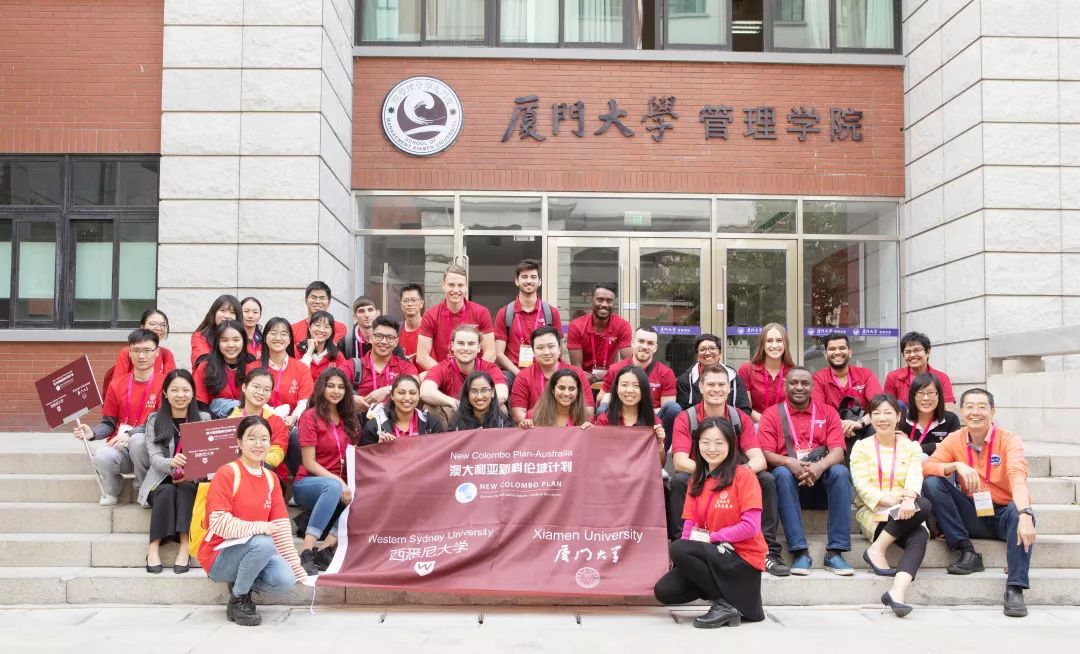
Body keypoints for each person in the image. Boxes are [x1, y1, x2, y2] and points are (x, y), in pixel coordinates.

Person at [921, 388, 1035, 618]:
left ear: (992, 411)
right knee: (932, 483)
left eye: (982, 407)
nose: (975, 412)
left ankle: (1015, 588)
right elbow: (926, 467)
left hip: (1004, 515)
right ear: (962, 411)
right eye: (970, 407)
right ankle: (967, 552)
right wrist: (955, 466)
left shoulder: (1009, 439)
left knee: (1020, 512)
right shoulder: (955, 439)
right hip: (973, 512)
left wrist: (1025, 514)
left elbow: (1017, 476)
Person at [668, 364, 784, 575]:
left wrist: (737, 474)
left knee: (766, 479)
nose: (716, 389)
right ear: (701, 387)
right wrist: (713, 473)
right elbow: (680, 461)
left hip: (734, 477)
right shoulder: (686, 418)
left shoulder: (740, 418)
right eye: (711, 384)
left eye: (721, 385)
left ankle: (769, 552)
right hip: (701, 474)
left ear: (729, 388)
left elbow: (759, 459)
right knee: (679, 481)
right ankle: (681, 551)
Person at [653, 417, 767, 628]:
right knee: (665, 590)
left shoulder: (744, 475)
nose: (711, 449)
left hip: (742, 558)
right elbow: (689, 525)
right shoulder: (697, 478)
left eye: (718, 443)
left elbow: (751, 527)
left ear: (730, 445)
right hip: (713, 553)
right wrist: (684, 562)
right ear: (697, 445)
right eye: (705, 442)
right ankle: (726, 601)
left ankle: (725, 605)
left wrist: (711, 538)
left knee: (678, 547)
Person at [198, 415, 306, 627]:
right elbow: (219, 523)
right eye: (251, 438)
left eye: (264, 439)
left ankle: (241, 582)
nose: (258, 444)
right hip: (219, 556)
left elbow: (281, 526)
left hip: (255, 549)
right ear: (239, 442)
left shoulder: (271, 478)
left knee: (285, 579)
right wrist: (259, 527)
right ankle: (238, 599)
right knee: (264, 542)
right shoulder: (227, 473)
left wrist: (295, 566)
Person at [758, 367, 854, 575]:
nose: (799, 387)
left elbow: (838, 451)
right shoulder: (771, 414)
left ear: (812, 386)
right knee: (781, 473)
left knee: (840, 472)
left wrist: (819, 467)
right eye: (794, 383)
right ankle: (800, 552)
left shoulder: (828, 412)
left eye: (805, 383)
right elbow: (764, 452)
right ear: (785, 386)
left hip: (821, 486)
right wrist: (789, 461)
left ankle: (835, 552)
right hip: (788, 488)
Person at [850, 394, 931, 617]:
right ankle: (876, 549)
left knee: (920, 531)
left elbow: (915, 477)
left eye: (888, 413)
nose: (882, 418)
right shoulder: (861, 447)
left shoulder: (911, 447)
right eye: (876, 414)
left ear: (898, 416)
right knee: (923, 507)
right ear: (870, 417)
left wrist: (908, 499)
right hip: (875, 511)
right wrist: (896, 500)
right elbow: (863, 486)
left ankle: (897, 591)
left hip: (905, 509)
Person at [73, 328, 162, 505]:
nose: (141, 356)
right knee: (101, 455)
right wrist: (93, 433)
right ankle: (112, 490)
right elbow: (109, 423)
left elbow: (160, 422)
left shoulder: (165, 383)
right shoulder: (116, 385)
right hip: (120, 447)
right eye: (136, 350)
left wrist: (130, 434)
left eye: (147, 350)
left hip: (149, 449)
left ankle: (144, 489)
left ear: (157, 352)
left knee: (138, 440)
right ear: (129, 352)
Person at [140, 369, 208, 574]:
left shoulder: (203, 418)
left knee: (186, 489)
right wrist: (172, 462)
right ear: (165, 393)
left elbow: (208, 460)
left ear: (193, 393)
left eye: (186, 390)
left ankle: (185, 546)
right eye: (175, 390)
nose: (180, 395)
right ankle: (153, 548)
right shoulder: (155, 420)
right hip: (160, 481)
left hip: (191, 482)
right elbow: (154, 459)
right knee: (167, 490)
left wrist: (192, 472)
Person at [294, 368, 361, 575]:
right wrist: (339, 482)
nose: (336, 391)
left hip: (340, 486)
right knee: (332, 487)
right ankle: (306, 551)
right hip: (309, 483)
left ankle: (324, 549)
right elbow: (309, 462)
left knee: (366, 492)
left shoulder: (350, 419)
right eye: (330, 386)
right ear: (321, 387)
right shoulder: (310, 416)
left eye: (341, 387)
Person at [598, 326, 680, 443]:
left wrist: (638, 412)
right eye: (641, 341)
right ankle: (608, 445)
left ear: (655, 348)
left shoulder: (666, 373)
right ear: (632, 343)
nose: (645, 346)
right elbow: (601, 397)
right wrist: (606, 397)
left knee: (674, 408)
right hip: (621, 420)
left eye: (650, 343)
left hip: (652, 422)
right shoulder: (615, 369)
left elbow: (667, 407)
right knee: (603, 408)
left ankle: (659, 447)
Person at [493, 259, 562, 392]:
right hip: (513, 373)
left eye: (533, 277)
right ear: (517, 281)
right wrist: (520, 374)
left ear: (539, 281)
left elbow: (558, 350)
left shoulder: (551, 312)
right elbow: (499, 354)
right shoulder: (505, 313)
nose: (529, 281)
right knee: (500, 389)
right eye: (524, 277)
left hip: (544, 372)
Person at [420, 324, 508, 424]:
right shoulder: (442, 367)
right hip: (454, 411)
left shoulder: (490, 368)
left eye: (471, 344)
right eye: (461, 343)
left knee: (501, 408)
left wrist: (471, 406)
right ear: (452, 346)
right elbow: (425, 392)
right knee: (430, 408)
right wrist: (454, 403)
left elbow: (502, 394)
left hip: (481, 413)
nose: (465, 348)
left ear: (479, 347)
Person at [259, 316, 313, 478]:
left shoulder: (301, 368)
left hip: (291, 423)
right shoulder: (254, 367)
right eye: (273, 333)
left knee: (297, 436)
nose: (278, 338)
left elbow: (304, 400)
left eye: (283, 334)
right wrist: (274, 418)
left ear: (290, 339)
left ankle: (299, 482)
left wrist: (293, 418)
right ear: (265, 337)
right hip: (262, 422)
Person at [510, 326, 593, 428]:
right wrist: (534, 425)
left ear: (559, 349)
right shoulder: (523, 376)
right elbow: (518, 412)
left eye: (551, 346)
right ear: (533, 352)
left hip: (571, 430)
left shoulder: (577, 374)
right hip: (537, 429)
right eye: (540, 348)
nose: (546, 352)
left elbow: (588, 409)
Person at [416, 264, 495, 371]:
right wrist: (444, 375)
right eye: (451, 285)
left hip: (474, 374)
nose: (456, 290)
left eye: (460, 285)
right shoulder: (430, 315)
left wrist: (474, 375)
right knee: (421, 378)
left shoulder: (481, 312)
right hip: (443, 374)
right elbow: (422, 357)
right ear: (443, 285)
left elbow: (490, 353)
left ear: (466, 287)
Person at [811, 332, 882, 443]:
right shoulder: (818, 378)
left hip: (863, 427)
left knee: (878, 426)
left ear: (850, 352)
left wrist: (859, 423)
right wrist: (841, 426)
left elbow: (880, 405)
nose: (837, 352)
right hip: (831, 430)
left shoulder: (865, 374)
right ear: (825, 354)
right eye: (832, 349)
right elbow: (818, 410)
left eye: (842, 348)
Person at [592, 366, 666, 466]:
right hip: (611, 473)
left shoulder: (654, 421)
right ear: (616, 388)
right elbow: (598, 458)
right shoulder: (604, 419)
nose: (630, 390)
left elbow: (660, 465)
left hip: (641, 474)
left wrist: (660, 444)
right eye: (624, 385)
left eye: (636, 385)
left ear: (644, 389)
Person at [227, 368, 290, 484]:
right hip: (236, 479)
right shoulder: (230, 421)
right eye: (256, 387)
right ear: (244, 387)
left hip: (269, 478)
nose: (261, 392)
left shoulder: (276, 422)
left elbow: (275, 458)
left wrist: (244, 455)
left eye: (266, 389)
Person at [567, 283, 633, 389]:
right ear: (592, 300)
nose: (605, 304)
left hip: (611, 380)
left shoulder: (622, 326)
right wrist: (591, 378)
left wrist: (600, 376)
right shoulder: (576, 326)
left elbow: (628, 364)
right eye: (600, 300)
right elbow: (577, 368)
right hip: (584, 381)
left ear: (614, 303)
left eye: (609, 301)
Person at [351, 316, 418, 414]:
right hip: (361, 419)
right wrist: (350, 399)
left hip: (394, 420)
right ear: (370, 338)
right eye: (379, 336)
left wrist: (388, 390)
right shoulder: (353, 365)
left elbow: (415, 382)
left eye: (390, 338)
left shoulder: (404, 367)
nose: (383, 341)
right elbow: (331, 386)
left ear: (396, 342)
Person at [675, 333, 750, 414]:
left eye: (712, 348)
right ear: (697, 356)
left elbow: (745, 410)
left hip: (728, 421)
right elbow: (683, 413)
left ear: (720, 353)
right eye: (702, 349)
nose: (707, 353)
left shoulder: (733, 378)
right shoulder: (685, 380)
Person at [193, 320, 253, 418]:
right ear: (217, 343)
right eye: (224, 340)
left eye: (236, 340)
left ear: (244, 341)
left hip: (249, 419)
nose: (231, 345)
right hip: (216, 422)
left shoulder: (253, 365)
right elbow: (200, 404)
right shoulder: (205, 367)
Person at [361, 375, 446, 444]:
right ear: (392, 396)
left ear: (418, 396)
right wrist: (379, 448)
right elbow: (364, 457)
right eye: (401, 393)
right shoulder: (375, 425)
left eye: (412, 393)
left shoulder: (431, 424)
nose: (407, 398)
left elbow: (440, 455)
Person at [884, 331, 957, 411]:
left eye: (917, 350)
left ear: (927, 352)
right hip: (904, 418)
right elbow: (887, 408)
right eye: (907, 352)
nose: (912, 355)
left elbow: (949, 410)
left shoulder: (942, 378)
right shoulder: (893, 377)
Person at [737, 322, 796, 421]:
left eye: (779, 340)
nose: (774, 345)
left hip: (786, 426)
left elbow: (797, 407)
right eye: (769, 341)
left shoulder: (794, 373)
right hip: (756, 425)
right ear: (762, 344)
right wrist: (768, 423)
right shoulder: (746, 370)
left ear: (785, 344)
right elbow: (746, 408)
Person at [900, 373, 961, 456]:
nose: (926, 398)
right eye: (920, 393)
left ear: (939, 395)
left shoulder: (951, 419)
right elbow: (899, 451)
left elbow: (953, 449)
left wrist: (911, 446)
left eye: (931, 393)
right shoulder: (902, 420)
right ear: (913, 396)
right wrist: (936, 445)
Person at [111, 309, 176, 379]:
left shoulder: (166, 354)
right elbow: (117, 383)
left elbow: (171, 383)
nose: (159, 328)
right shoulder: (126, 352)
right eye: (153, 324)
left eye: (163, 325)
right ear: (142, 326)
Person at [448, 371, 516, 430]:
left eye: (484, 390)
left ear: (492, 392)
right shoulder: (456, 426)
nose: (479, 396)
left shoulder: (503, 424)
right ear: (467, 394)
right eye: (474, 391)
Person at [290, 281, 348, 348]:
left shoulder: (339, 328)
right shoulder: (293, 329)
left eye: (322, 298)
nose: (317, 301)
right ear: (306, 300)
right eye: (314, 297)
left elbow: (328, 350)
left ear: (329, 302)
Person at [297, 310, 349, 384]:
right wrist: (309, 351)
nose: (321, 330)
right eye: (317, 325)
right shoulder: (297, 350)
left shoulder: (337, 355)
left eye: (326, 327)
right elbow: (296, 376)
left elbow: (344, 382)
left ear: (331, 331)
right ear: (309, 327)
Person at [190, 294, 242, 366]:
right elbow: (202, 362)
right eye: (223, 310)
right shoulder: (200, 336)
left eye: (232, 312)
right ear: (214, 313)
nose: (227, 316)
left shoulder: (242, 336)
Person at [398, 283, 425, 362]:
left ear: (421, 303)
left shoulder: (430, 329)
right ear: (401, 305)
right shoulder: (396, 330)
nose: (409, 304)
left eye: (413, 300)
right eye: (405, 301)